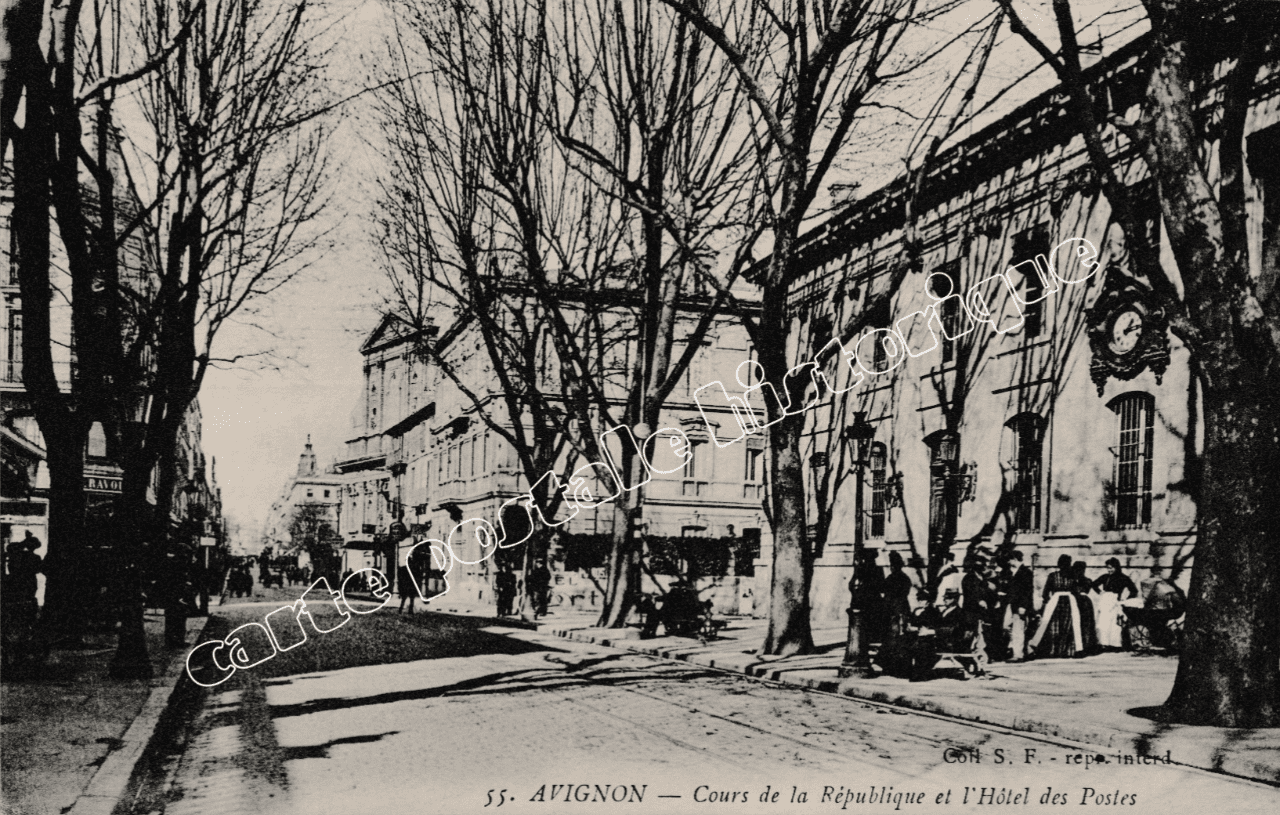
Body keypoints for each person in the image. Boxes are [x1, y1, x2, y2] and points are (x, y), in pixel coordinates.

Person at [1029, 554, 1087, 658]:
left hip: (1058, 602)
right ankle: (1065, 651)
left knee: (1054, 626)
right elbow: (1076, 590)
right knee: (1067, 627)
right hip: (1067, 602)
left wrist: (1046, 602)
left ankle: (1054, 651)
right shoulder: (1071, 576)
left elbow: (1046, 592)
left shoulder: (1054, 575)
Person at [1090, 558, 1137, 650]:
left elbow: (1134, 590)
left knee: (1115, 625)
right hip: (1105, 602)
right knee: (1103, 623)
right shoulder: (1105, 577)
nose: (1109, 570)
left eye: (1111, 568)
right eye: (1108, 568)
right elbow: (1093, 584)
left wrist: (1125, 600)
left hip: (1115, 602)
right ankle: (1104, 643)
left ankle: (1115, 644)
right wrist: (1100, 592)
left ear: (1116, 567)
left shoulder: (1123, 578)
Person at [1002, 550, 1035, 661]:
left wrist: (1023, 606)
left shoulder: (1026, 572)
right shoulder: (1012, 572)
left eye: (1009, 560)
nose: (1008, 562)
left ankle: (1018, 654)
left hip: (1020, 606)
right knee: (1007, 626)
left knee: (1018, 630)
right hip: (1012, 604)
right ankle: (1016, 647)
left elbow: (1027, 591)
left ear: (1015, 559)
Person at [883, 552, 915, 639]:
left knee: (894, 631)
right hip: (901, 607)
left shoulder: (892, 578)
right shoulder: (905, 578)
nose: (891, 568)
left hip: (894, 608)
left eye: (892, 565)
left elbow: (885, 590)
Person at [1071, 561, 1099, 654]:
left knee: (1083, 623)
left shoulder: (1073, 581)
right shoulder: (1087, 580)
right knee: (1085, 624)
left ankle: (1084, 646)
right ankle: (1087, 646)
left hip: (1080, 602)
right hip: (1084, 602)